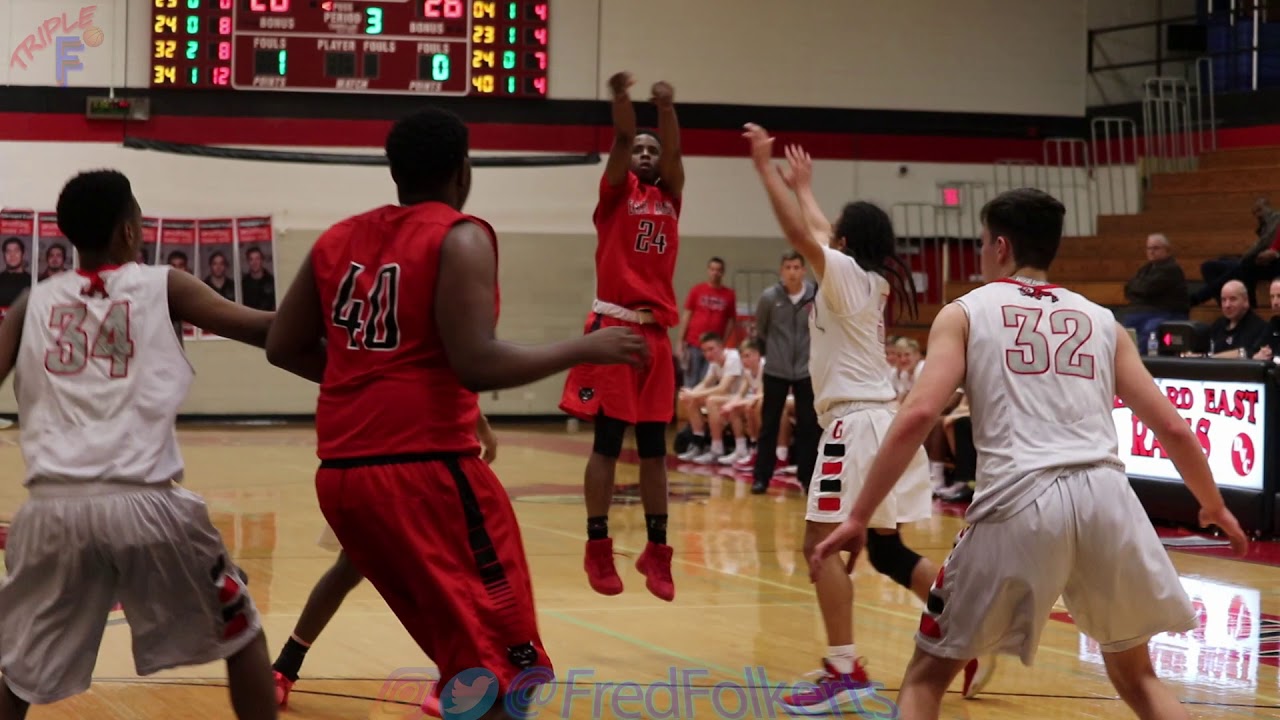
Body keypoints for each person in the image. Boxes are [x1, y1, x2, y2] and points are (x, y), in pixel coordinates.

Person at [811, 187, 1250, 720]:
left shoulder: (966, 312)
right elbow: (1174, 429)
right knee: (1138, 676)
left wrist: (859, 514)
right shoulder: (1102, 320)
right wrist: (1213, 503)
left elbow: (921, 412)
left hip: (1020, 498)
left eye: (979, 244)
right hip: (1108, 500)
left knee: (926, 677)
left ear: (999, 246)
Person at [264, 108, 645, 720]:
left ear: (395, 172)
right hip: (427, 477)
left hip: (342, 480)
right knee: (508, 668)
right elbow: (475, 362)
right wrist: (586, 346)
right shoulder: (460, 235)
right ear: (463, 171)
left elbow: (285, 345)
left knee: (470, 664)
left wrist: (379, 380)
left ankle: (305, 667)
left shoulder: (336, 238)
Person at [0, 169, 283, 720]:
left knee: (17, 670)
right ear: (130, 230)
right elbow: (264, 328)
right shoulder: (164, 285)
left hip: (51, 512)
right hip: (147, 505)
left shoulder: (29, 304)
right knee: (242, 630)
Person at [742, 128, 992, 714]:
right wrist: (805, 186)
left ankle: (843, 667)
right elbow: (823, 232)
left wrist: (767, 171)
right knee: (885, 552)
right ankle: (967, 626)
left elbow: (803, 235)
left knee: (822, 548)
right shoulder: (869, 278)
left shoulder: (844, 276)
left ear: (847, 243)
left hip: (854, 428)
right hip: (880, 423)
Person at [271, 415, 499, 710]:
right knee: (350, 567)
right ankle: (284, 668)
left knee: (434, 570)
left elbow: (454, 377)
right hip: (372, 454)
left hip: (421, 457)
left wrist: (482, 428)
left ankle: (457, 674)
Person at [558, 71, 684, 602]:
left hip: (655, 339)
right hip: (615, 330)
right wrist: (621, 101)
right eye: (640, 149)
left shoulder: (671, 196)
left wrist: (667, 109)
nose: (647, 154)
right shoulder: (614, 195)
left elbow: (676, 152)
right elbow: (619, 141)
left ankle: (657, 551)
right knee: (608, 444)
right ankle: (597, 544)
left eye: (653, 149)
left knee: (655, 450)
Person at [750, 251, 819, 493]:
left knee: (809, 424)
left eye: (796, 267)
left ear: (803, 270)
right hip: (776, 370)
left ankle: (808, 476)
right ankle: (761, 477)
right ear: (782, 271)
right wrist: (772, 355)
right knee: (769, 424)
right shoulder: (769, 298)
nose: (792, 271)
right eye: (787, 267)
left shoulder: (816, 296)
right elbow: (761, 331)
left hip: (807, 370)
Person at [675, 332, 744, 464]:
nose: (708, 354)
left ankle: (717, 449)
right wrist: (690, 394)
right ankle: (698, 444)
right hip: (728, 398)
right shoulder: (714, 362)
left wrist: (694, 394)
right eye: (704, 350)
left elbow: (722, 388)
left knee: (711, 401)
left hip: (741, 397)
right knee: (692, 400)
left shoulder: (733, 358)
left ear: (721, 347)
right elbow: (706, 383)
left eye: (711, 349)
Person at [677, 257, 736, 387]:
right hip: (693, 343)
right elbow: (687, 315)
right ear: (708, 271)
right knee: (690, 381)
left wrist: (723, 342)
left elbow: (731, 320)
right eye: (712, 269)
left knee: (707, 381)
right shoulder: (697, 290)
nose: (715, 273)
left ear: (723, 272)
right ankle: (687, 406)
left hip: (714, 347)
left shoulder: (729, 294)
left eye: (718, 270)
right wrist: (681, 341)